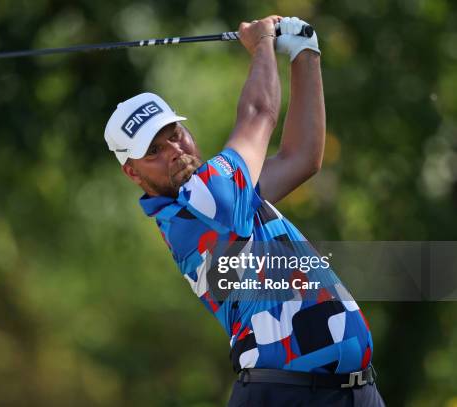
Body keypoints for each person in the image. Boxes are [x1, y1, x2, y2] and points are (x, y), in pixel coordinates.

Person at [104, 15, 385, 406]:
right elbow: (258, 113)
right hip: (285, 394)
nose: (175, 151)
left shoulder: (227, 194)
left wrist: (306, 53)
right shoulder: (203, 204)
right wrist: (262, 44)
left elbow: (301, 158)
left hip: (352, 393)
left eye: (175, 135)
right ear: (133, 173)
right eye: (154, 152)